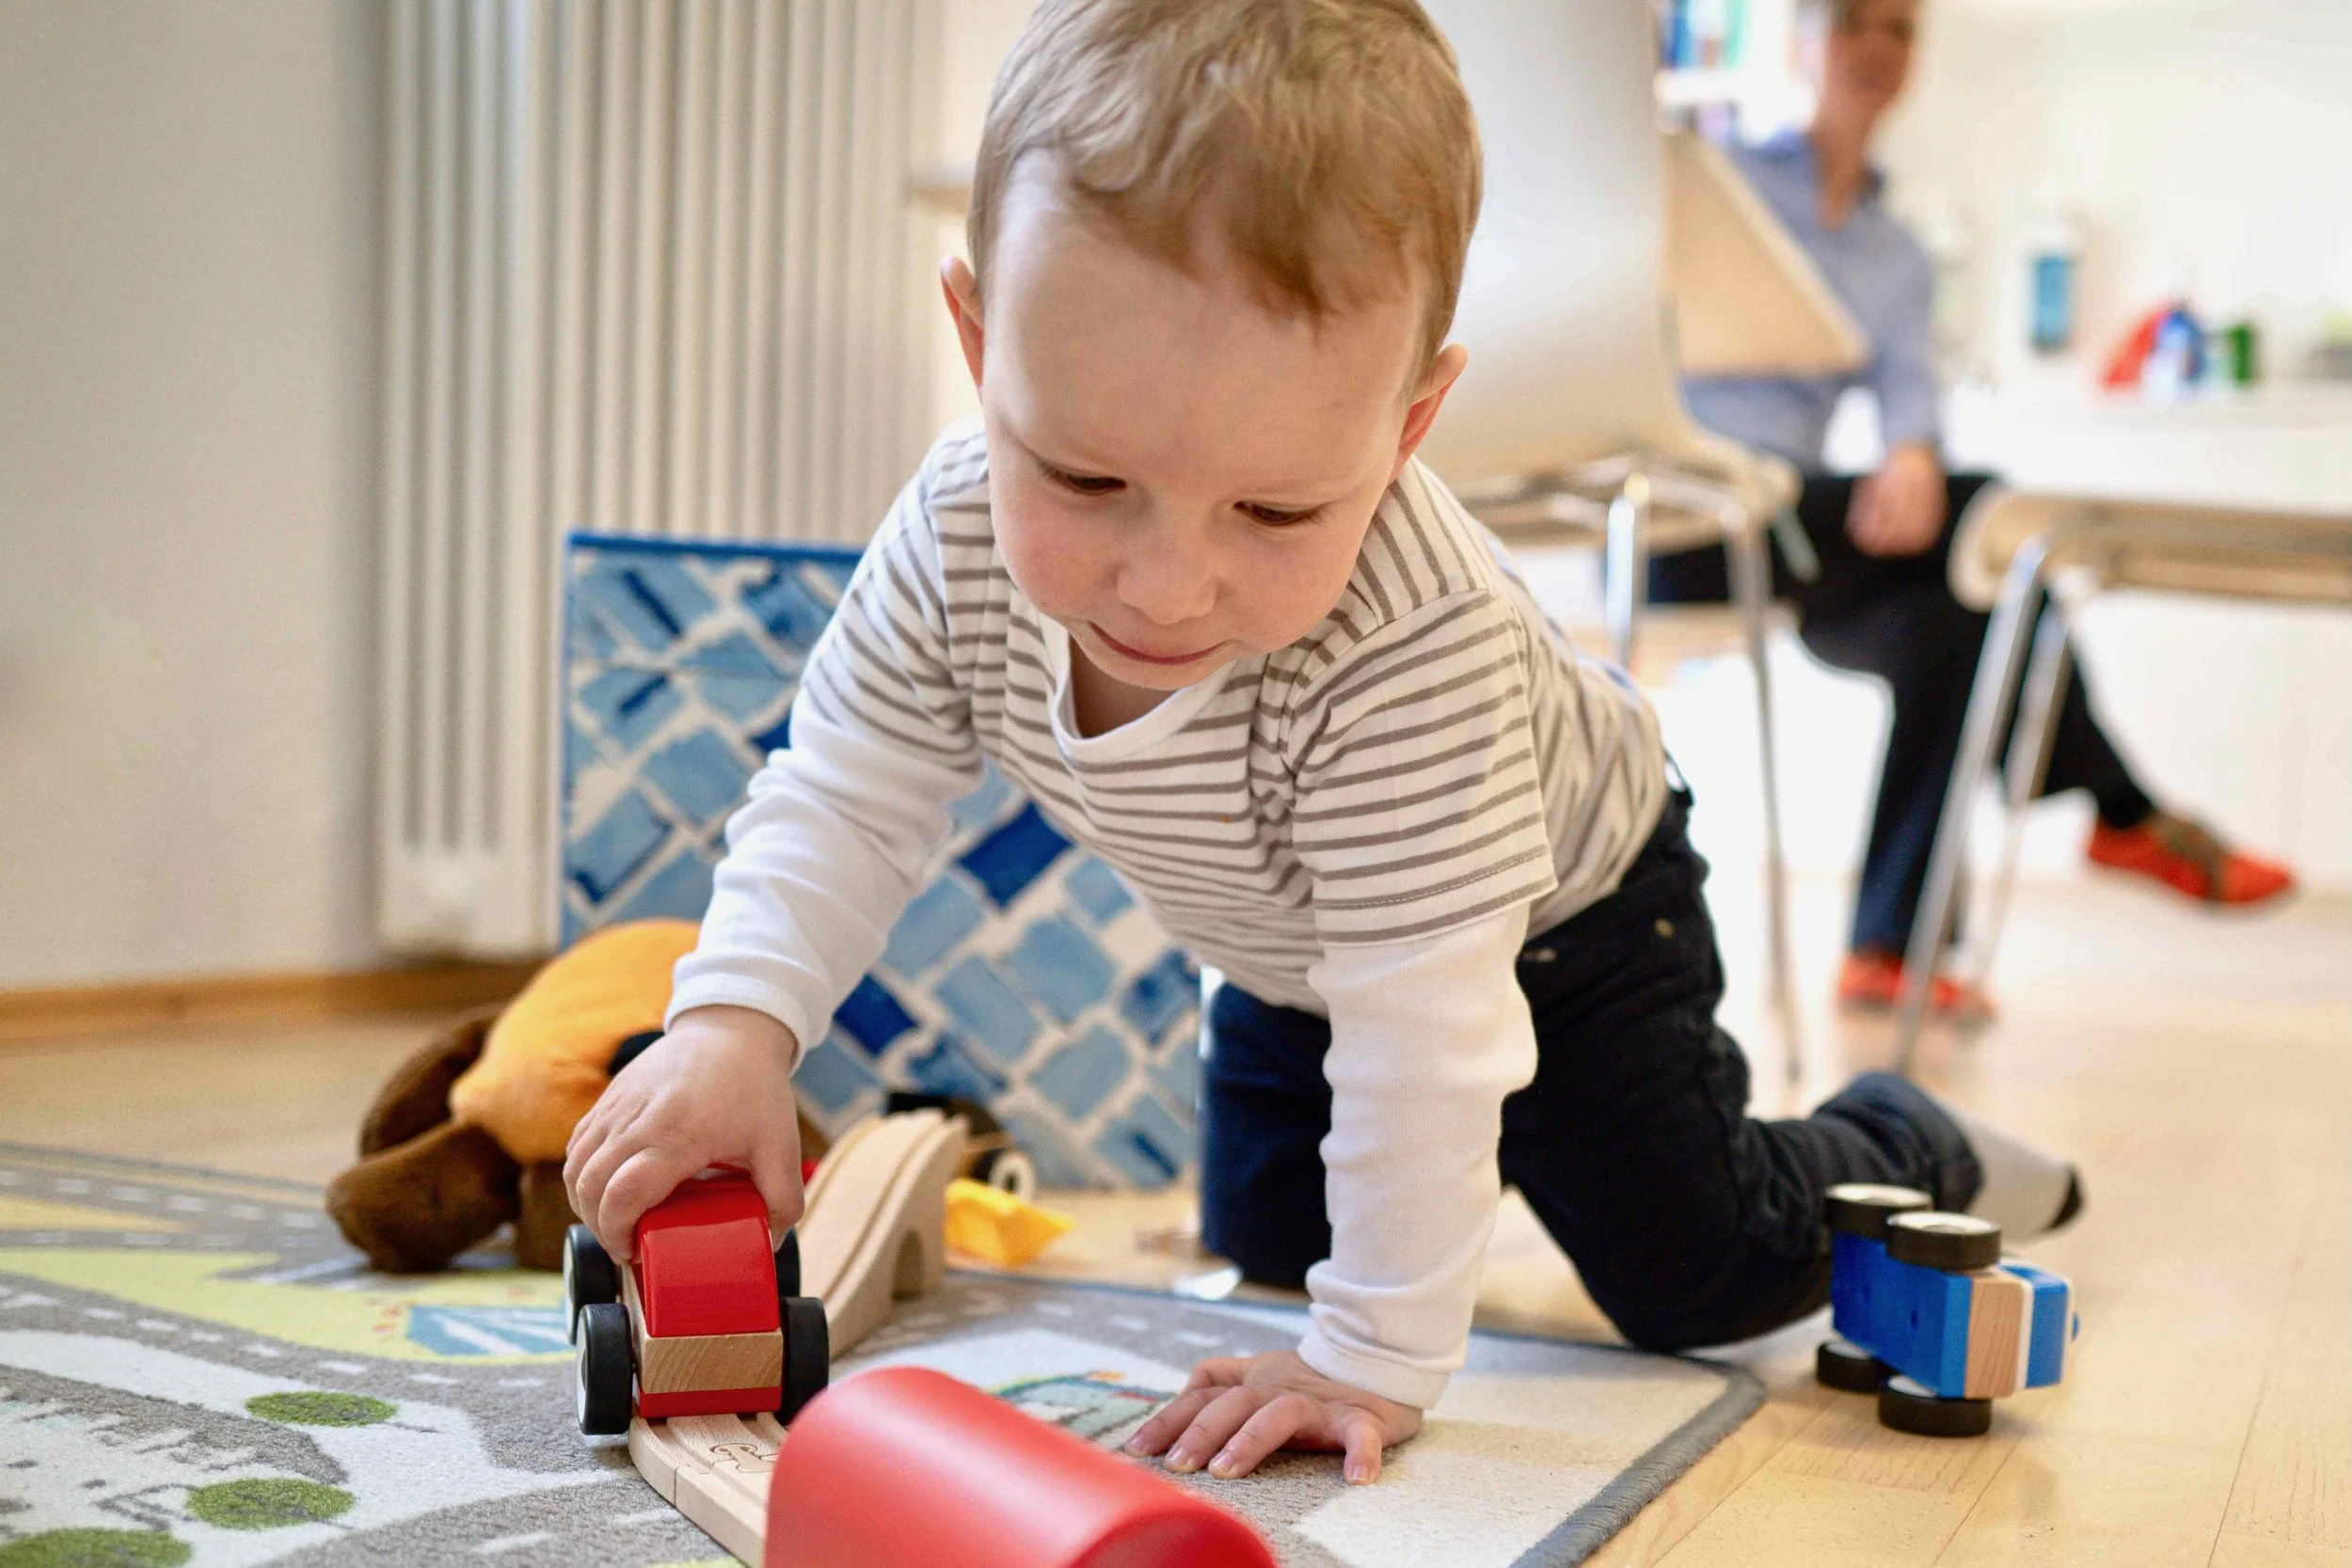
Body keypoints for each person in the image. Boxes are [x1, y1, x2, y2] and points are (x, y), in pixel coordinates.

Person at [565, 0, 2082, 1487]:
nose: (1165, 583)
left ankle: (1906, 1141)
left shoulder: (1408, 639)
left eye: (1277, 509)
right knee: (1270, 1249)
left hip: (1570, 922)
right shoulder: (947, 537)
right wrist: (733, 1024)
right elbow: (843, 788)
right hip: (1296, 953)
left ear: (1410, 423)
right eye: (1085, 475)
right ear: (978, 341)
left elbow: (1426, 1018)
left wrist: (1375, 1354)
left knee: (1690, 1272)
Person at [1670, 0, 2295, 1017]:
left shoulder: (1897, 252)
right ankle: (2123, 807)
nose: (1875, 46)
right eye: (1851, 22)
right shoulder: (1712, 181)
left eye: (1899, 29)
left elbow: (1911, 386)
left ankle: (1883, 950)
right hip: (1689, 511)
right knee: (1989, 514)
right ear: (1799, 41)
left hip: (1797, 533)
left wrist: (1911, 452)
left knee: (1948, 627)